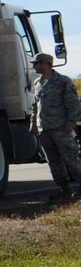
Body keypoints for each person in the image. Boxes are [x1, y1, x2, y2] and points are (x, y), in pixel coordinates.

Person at [32, 51, 79, 200]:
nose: (34, 67)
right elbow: (35, 106)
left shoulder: (63, 81)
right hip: (44, 129)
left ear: (45, 63)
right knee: (54, 162)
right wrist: (33, 123)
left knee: (71, 159)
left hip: (61, 128)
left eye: (36, 63)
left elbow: (73, 105)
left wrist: (70, 124)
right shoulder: (37, 83)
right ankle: (64, 190)